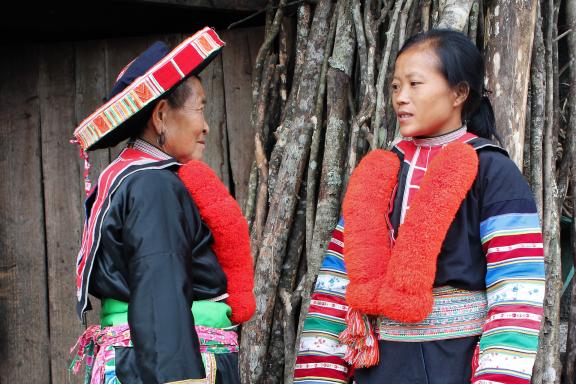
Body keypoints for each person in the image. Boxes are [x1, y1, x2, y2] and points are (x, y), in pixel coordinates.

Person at [294, 29, 544, 384]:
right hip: (377, 367)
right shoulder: (378, 174)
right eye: (396, 87)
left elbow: (517, 289)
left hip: (455, 363)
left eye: (415, 84)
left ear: (459, 92)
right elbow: (336, 283)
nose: (401, 98)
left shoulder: (494, 171)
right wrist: (321, 373)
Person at [69, 27, 255, 384]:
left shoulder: (130, 178)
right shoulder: (154, 185)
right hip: (166, 367)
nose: (205, 126)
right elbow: (160, 288)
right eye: (200, 108)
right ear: (160, 116)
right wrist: (180, 377)